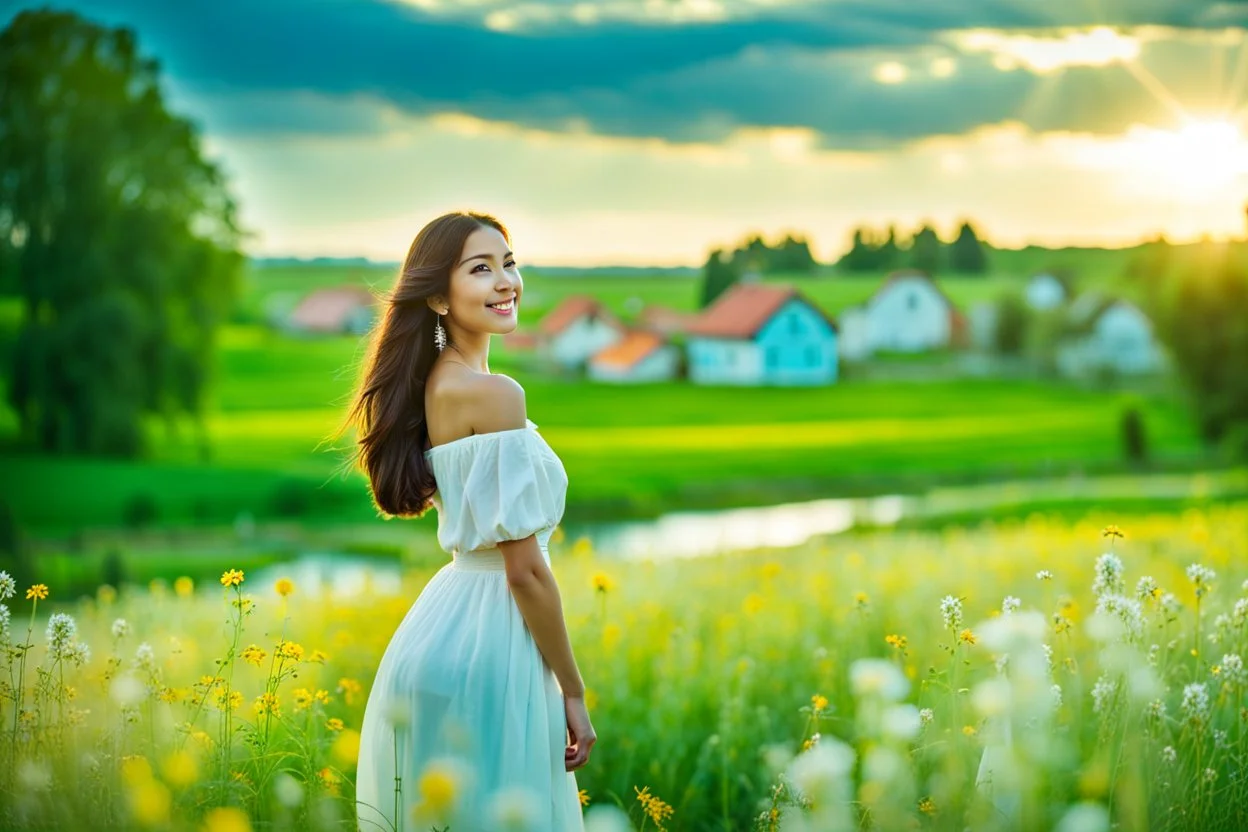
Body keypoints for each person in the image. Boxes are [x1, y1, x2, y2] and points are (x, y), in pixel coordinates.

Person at [343, 211, 594, 831]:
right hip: (493, 646)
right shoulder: (496, 395)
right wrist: (574, 691)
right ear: (436, 295)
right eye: (481, 269)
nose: (506, 280)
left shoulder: (438, 385)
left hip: (441, 632)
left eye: (508, 262)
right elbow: (525, 571)